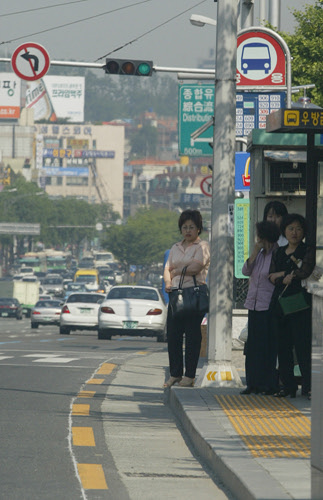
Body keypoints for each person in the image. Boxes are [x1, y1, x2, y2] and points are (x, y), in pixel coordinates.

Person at [269, 214, 315, 398]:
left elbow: (305, 271)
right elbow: (270, 276)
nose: (294, 232)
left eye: (298, 228)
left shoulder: (307, 250)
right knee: (283, 347)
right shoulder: (279, 252)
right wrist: (284, 276)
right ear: (284, 231)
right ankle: (288, 386)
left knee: (303, 347)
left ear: (303, 232)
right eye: (290, 228)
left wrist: (284, 275)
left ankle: (308, 387)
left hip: (300, 305)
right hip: (280, 305)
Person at [163, 210, 210, 388]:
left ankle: (189, 375)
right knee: (173, 335)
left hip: (194, 295)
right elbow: (167, 268)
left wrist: (176, 270)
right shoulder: (175, 247)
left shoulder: (203, 246)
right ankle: (175, 374)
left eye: (192, 227)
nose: (188, 230)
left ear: (199, 229)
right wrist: (169, 281)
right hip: (176, 294)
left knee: (192, 336)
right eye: (184, 227)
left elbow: (196, 267)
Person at [241, 221, 281, 395]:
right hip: (254, 304)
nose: (257, 240)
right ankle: (252, 383)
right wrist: (254, 252)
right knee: (253, 346)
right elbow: (245, 271)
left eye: (260, 238)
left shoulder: (277, 254)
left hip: (269, 305)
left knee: (268, 346)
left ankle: (268, 383)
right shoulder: (259, 254)